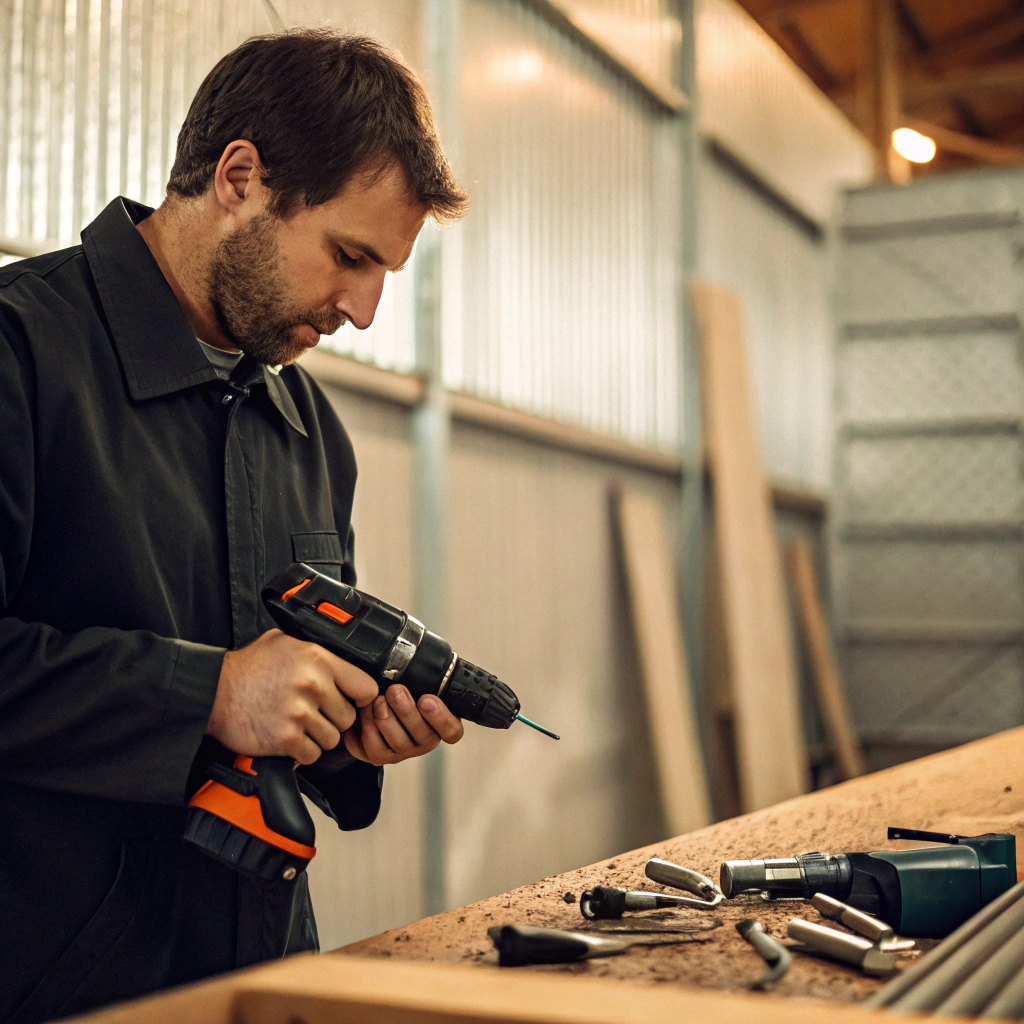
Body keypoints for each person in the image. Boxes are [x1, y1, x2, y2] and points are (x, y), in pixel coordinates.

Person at [0, 29, 468, 1024]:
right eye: (349, 256)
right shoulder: (20, 357)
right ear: (240, 177)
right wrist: (208, 692)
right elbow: (227, 695)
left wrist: (350, 734)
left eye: (384, 271)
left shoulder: (308, 429)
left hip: (259, 984)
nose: (363, 310)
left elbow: (276, 716)